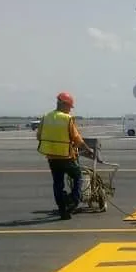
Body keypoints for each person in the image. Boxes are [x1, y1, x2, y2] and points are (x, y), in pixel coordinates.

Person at [36, 92, 94, 220]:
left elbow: (39, 136)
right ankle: (74, 200)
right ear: (64, 104)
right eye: (69, 107)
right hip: (66, 156)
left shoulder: (46, 117)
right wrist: (88, 149)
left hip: (52, 157)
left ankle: (62, 210)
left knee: (58, 183)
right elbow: (77, 138)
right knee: (78, 176)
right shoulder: (67, 119)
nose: (70, 109)